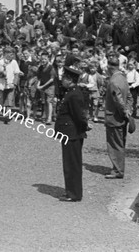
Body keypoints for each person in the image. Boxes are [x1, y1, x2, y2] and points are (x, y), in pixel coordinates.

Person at [55, 66, 88, 202]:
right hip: (69, 133)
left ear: (69, 80)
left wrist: (84, 127)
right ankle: (71, 192)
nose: (62, 80)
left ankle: (74, 194)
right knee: (69, 164)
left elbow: (78, 116)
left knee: (72, 165)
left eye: (64, 77)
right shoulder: (71, 92)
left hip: (72, 134)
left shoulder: (74, 94)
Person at [104, 57, 133, 179]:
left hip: (115, 118)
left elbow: (118, 101)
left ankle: (118, 170)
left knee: (115, 144)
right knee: (120, 142)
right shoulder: (122, 78)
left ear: (110, 68)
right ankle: (118, 168)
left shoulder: (113, 82)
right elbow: (130, 97)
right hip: (122, 118)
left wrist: (124, 112)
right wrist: (129, 111)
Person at [37, 51, 57, 125]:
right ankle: (45, 116)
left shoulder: (51, 68)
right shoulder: (40, 68)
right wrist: (38, 85)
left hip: (50, 86)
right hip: (43, 86)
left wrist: (43, 85)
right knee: (44, 102)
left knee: (49, 102)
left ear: (48, 59)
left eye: (45, 59)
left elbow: (52, 79)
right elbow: (39, 78)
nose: (43, 60)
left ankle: (49, 118)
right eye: (42, 59)